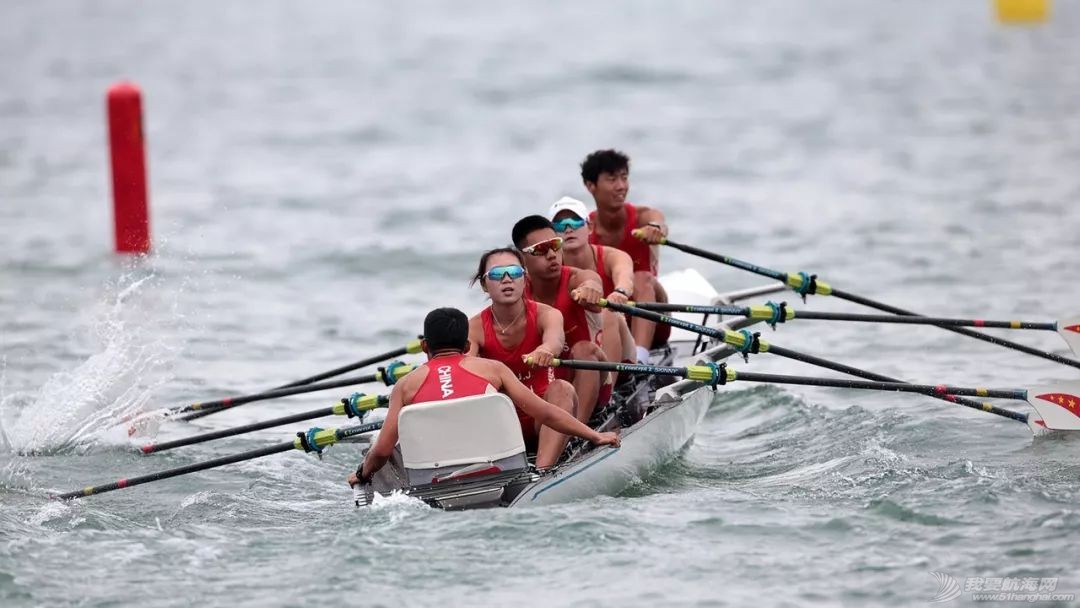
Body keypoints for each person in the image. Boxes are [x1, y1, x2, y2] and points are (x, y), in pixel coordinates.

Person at [348, 307, 620, 488]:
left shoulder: (406, 386)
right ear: (468, 346)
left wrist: (362, 474)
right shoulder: (492, 370)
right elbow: (546, 413)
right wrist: (595, 436)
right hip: (501, 471)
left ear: (424, 347)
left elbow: (382, 451)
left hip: (433, 480)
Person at [466, 247, 581, 467]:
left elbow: (554, 341)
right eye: (498, 275)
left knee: (563, 389)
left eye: (514, 273)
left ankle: (542, 471)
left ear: (525, 278)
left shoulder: (547, 315)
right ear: (484, 284)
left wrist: (545, 351)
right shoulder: (473, 328)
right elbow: (466, 367)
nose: (507, 279)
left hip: (545, 416)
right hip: (502, 422)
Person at [511, 215, 608, 425]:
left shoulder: (576, 279)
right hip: (549, 389)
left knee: (584, 349)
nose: (552, 255)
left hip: (593, 382)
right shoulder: (514, 295)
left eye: (555, 245)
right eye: (541, 249)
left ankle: (576, 431)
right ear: (521, 258)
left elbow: (591, 280)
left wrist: (592, 289)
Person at [581, 149, 670, 362]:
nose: (621, 186)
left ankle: (641, 358)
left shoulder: (643, 218)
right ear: (590, 186)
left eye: (624, 177)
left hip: (653, 320)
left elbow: (658, 221)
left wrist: (656, 229)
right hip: (610, 323)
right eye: (612, 179)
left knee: (641, 277)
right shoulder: (582, 232)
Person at [548, 196, 637, 369]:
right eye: (559, 224)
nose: (567, 228)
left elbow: (625, 277)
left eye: (575, 221)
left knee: (609, 311)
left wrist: (620, 292)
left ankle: (608, 388)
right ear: (552, 235)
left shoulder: (614, 256)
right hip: (574, 347)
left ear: (589, 227)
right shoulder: (548, 269)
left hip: (621, 353)